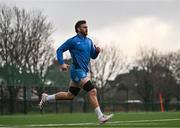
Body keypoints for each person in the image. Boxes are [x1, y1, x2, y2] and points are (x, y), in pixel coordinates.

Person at [39, 20, 113, 123]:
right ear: (78, 29)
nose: (86, 29)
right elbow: (59, 50)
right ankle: (100, 117)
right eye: (84, 27)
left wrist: (97, 52)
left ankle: (46, 98)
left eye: (87, 27)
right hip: (76, 71)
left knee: (70, 95)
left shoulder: (89, 41)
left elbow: (93, 56)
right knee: (92, 91)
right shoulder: (73, 41)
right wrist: (62, 63)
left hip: (83, 71)